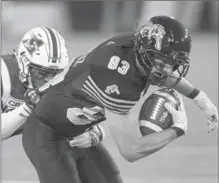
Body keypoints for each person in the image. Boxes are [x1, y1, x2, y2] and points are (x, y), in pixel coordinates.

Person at [22, 16, 218, 182]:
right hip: (46, 132)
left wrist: (200, 98)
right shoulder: (117, 82)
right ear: (145, 54)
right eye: (162, 62)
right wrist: (177, 129)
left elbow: (159, 69)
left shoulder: (136, 46)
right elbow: (131, 151)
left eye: (173, 64)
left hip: (79, 133)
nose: (167, 71)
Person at [1, 27, 123, 183]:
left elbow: (86, 118)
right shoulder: (3, 75)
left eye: (55, 73)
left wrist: (95, 133)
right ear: (24, 63)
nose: (49, 80)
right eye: (41, 73)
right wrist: (26, 108)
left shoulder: (67, 78)